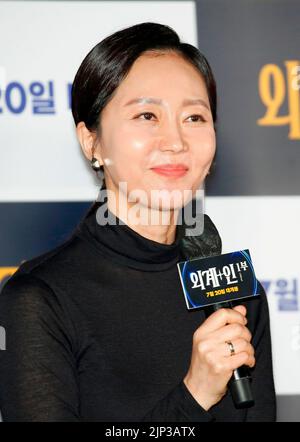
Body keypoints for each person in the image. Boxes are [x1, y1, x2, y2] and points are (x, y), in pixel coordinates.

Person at [0, 22, 276, 422]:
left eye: (194, 118)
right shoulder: (38, 299)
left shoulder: (234, 293)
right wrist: (194, 394)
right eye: (147, 115)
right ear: (91, 141)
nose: (175, 141)